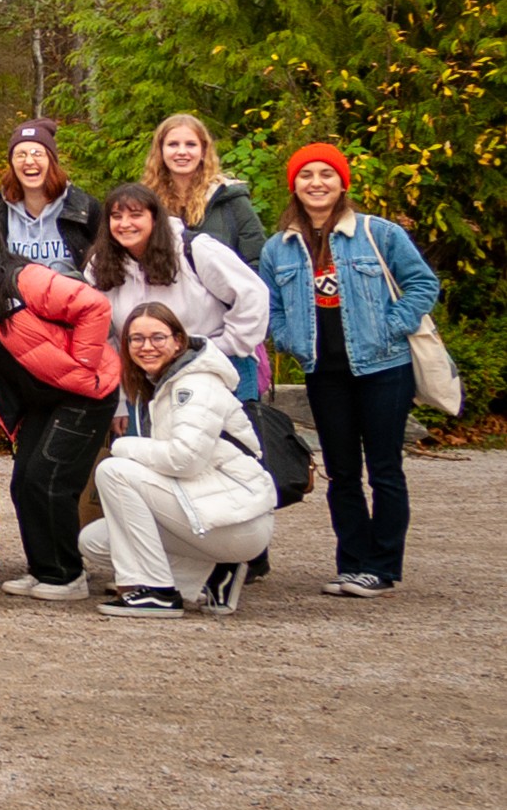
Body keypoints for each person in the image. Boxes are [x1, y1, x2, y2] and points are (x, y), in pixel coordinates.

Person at [260, 142, 439, 598]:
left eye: (326, 174)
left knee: (385, 469)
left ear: (343, 182)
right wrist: (289, 341)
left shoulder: (379, 234)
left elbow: (423, 284)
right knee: (341, 472)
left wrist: (391, 327)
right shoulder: (278, 249)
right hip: (324, 372)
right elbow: (270, 306)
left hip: (384, 368)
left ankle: (382, 567)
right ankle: (352, 562)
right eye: (306, 175)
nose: (316, 183)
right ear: (294, 185)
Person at [0, 213, 116, 601]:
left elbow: (94, 306)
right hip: (43, 398)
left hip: (85, 393)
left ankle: (67, 576)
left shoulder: (23, 278)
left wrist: (82, 367)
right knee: (23, 482)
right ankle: (44, 570)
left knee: (49, 479)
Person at [84, 304, 278, 617]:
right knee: (95, 541)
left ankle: (156, 591)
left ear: (178, 341)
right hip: (212, 510)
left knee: (114, 471)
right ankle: (214, 573)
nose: (146, 346)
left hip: (239, 517)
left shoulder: (194, 385)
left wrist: (124, 447)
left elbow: (184, 460)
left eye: (157, 337)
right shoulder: (164, 384)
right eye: (136, 339)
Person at [88, 183, 268, 400]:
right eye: (116, 216)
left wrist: (225, 345)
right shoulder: (100, 264)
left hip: (218, 368)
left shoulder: (194, 250)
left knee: (224, 435)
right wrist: (121, 400)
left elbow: (252, 295)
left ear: (155, 218)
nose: (125, 224)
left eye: (135, 215)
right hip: (145, 379)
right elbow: (103, 334)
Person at [145, 113, 264, 269]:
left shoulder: (230, 197)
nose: (182, 151)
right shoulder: (146, 201)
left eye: (190, 144)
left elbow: (256, 258)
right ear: (160, 151)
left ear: (203, 151)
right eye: (173, 144)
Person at [0, 119, 100, 275]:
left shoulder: (83, 207)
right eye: (20, 155)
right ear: (12, 163)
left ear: (51, 161)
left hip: (73, 298)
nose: (29, 161)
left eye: (37, 154)